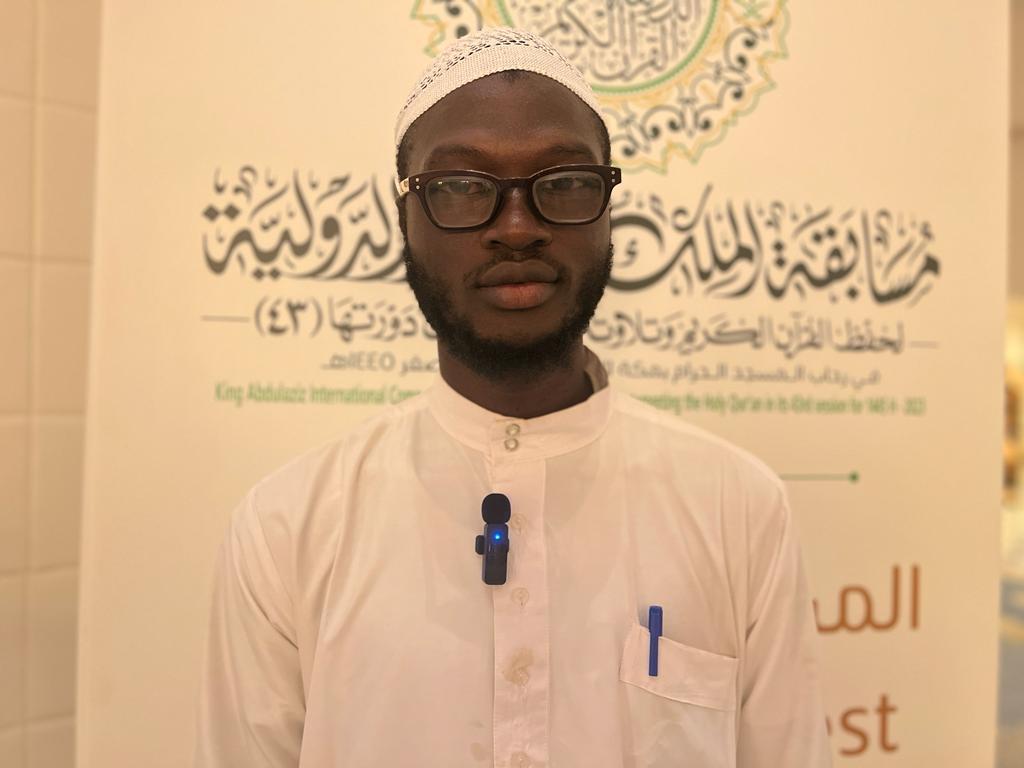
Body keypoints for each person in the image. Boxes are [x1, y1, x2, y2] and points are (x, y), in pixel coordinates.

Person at [194, 27, 831, 768]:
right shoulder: (289, 529)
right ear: (404, 218)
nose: (518, 228)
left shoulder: (736, 506)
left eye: (563, 182)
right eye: (462, 187)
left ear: (608, 208)